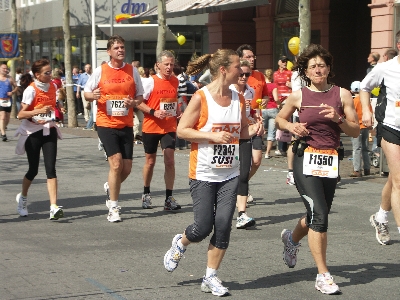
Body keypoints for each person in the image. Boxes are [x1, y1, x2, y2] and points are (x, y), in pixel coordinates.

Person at [163, 49, 263, 296]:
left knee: (223, 225)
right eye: (238, 66)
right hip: (203, 173)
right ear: (223, 70)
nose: (242, 70)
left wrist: (253, 130)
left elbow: (240, 134)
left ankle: (211, 277)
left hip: (229, 173)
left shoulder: (239, 98)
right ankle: (181, 242)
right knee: (202, 227)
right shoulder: (201, 97)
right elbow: (182, 130)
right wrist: (211, 136)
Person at [275, 44, 359, 294]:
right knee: (320, 215)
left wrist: (339, 118)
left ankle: (291, 239)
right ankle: (323, 275)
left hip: (330, 160)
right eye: (313, 66)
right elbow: (280, 118)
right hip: (305, 157)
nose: (318, 69)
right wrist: (291, 127)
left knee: (315, 216)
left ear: (329, 68)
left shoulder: (342, 95)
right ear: (306, 71)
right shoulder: (299, 95)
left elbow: (355, 130)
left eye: (321, 65)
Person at [84, 35, 144, 222]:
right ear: (109, 51)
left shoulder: (132, 71)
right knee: (116, 163)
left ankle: (110, 187)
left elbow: (140, 96)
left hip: (125, 123)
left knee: (126, 168)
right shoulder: (100, 71)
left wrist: (133, 102)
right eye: (116, 47)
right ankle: (114, 207)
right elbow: (86, 93)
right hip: (105, 122)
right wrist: (92, 95)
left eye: (122, 47)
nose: (120, 50)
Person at [360, 32, 400, 246]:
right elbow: (364, 87)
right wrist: (366, 111)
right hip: (391, 127)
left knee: (395, 178)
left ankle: (380, 217)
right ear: (399, 45)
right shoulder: (385, 68)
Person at [14, 59, 65, 220]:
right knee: (33, 169)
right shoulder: (31, 90)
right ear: (37, 75)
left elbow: (57, 99)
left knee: (51, 169)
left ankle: (53, 207)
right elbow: (20, 114)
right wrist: (37, 111)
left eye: (51, 72)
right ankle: (22, 197)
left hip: (48, 129)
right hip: (32, 132)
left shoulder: (54, 86)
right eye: (47, 73)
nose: (51, 75)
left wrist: (58, 106)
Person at [136, 50, 181, 211]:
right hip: (151, 127)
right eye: (166, 64)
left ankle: (169, 198)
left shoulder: (175, 81)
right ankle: (146, 193)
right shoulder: (150, 82)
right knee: (150, 161)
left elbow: (174, 101)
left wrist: (178, 110)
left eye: (171, 64)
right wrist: (154, 112)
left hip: (169, 127)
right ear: (158, 65)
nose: (169, 67)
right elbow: (138, 102)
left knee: (169, 161)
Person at [236, 44, 268, 203]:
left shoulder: (260, 76)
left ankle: (241, 184)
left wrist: (260, 110)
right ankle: (240, 188)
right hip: (238, 126)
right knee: (240, 162)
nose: (251, 59)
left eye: (252, 56)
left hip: (255, 123)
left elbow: (266, 97)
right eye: (248, 56)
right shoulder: (235, 78)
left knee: (256, 161)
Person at [231, 59, 257, 229]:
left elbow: (251, 112)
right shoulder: (228, 91)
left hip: (245, 134)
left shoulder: (251, 92)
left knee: (244, 172)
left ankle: (241, 214)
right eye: (241, 74)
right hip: (228, 137)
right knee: (226, 172)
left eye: (247, 74)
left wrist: (255, 120)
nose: (244, 77)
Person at [349, 81, 372, 177]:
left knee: (356, 148)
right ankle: (367, 168)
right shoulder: (365, 101)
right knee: (365, 148)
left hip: (357, 127)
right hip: (365, 127)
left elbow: (351, 114)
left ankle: (357, 170)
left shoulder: (354, 101)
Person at [274, 56, 292, 156]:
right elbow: (274, 86)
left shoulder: (289, 73)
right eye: (283, 61)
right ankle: (280, 146)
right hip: (278, 101)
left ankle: (283, 147)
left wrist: (291, 85)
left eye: (286, 61)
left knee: (285, 121)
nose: (285, 63)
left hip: (287, 100)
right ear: (279, 62)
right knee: (279, 123)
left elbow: (293, 85)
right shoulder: (275, 74)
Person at [263, 69, 280, 159]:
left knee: (260, 130)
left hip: (263, 108)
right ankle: (267, 153)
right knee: (271, 132)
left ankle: (258, 148)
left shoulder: (262, 85)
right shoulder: (274, 85)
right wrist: (279, 105)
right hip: (273, 108)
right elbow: (276, 98)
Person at [0, 62, 17, 141]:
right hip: (0, 100)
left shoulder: (10, 78)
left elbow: (16, 87)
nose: (5, 70)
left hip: (8, 100)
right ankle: (3, 134)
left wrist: (12, 92)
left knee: (7, 118)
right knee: (2, 116)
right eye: (4, 68)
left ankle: (2, 129)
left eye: (6, 68)